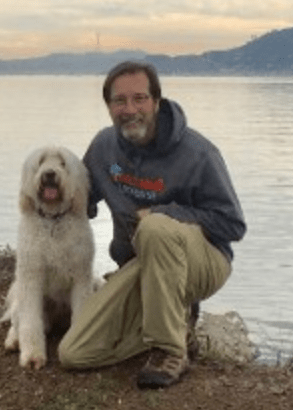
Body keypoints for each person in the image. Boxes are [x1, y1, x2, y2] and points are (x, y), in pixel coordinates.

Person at [58, 61, 246, 389]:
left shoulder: (198, 153)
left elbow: (232, 224)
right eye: (119, 101)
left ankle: (171, 351)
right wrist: (47, 192)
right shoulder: (104, 147)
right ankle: (172, 321)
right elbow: (79, 202)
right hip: (141, 267)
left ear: (156, 102)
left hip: (203, 263)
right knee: (73, 353)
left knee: (156, 228)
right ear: (109, 106)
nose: (130, 109)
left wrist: (163, 212)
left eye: (140, 98)